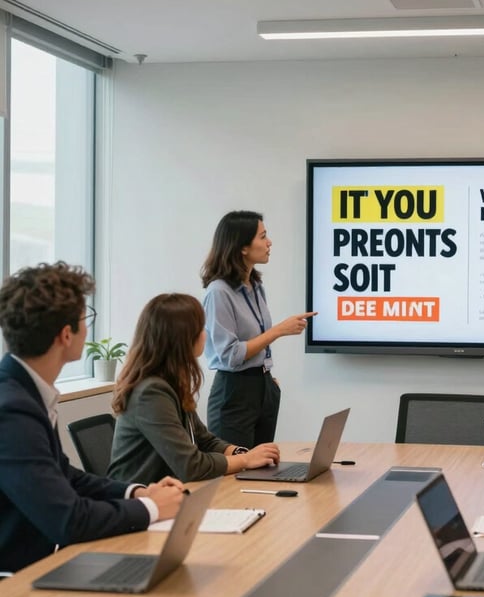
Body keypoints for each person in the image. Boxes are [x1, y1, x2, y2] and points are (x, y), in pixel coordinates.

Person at [0, 262, 184, 574]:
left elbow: (65, 476)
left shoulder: (25, 390)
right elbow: (69, 521)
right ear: (66, 335)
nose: (87, 329)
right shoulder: (12, 410)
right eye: (86, 319)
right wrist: (152, 508)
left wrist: (137, 492)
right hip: (15, 583)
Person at [108, 293, 281, 485]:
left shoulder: (170, 382)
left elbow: (204, 440)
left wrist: (242, 453)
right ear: (182, 338)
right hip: (143, 498)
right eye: (201, 328)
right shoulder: (150, 393)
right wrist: (245, 461)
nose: (205, 334)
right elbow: (191, 466)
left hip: (170, 491)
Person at [201, 211, 317, 449]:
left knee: (262, 464)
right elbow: (230, 355)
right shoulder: (218, 292)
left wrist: (266, 383)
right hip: (234, 392)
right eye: (263, 237)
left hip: (262, 387)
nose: (269, 242)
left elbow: (254, 342)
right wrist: (279, 330)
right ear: (242, 247)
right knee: (237, 467)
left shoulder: (255, 286)